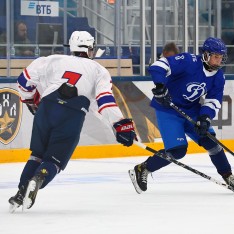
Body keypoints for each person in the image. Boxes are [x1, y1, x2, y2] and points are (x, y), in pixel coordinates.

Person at [8, 31, 137, 212]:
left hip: (46, 107)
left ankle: (20, 194)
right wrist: (119, 124)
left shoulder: (52, 59)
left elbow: (23, 82)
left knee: (37, 154)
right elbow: (105, 100)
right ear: (91, 48)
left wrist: (30, 100)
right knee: (54, 160)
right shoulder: (99, 71)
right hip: (72, 114)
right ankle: (39, 178)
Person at [128, 37, 234, 194]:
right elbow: (159, 65)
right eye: (215, 56)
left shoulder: (218, 76)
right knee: (178, 151)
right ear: (205, 54)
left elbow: (213, 100)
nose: (218, 61)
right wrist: (160, 85)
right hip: (168, 109)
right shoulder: (188, 61)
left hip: (192, 109)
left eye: (220, 57)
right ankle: (143, 168)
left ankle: (227, 175)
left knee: (211, 142)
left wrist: (205, 118)